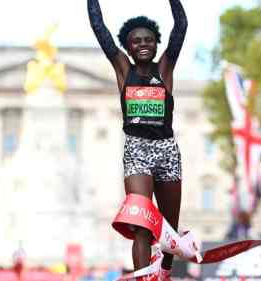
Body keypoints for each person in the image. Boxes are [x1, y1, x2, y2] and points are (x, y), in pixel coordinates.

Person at [87, 0, 187, 280]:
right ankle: (143, 277)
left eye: (149, 40)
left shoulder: (165, 68)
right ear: (127, 47)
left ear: (157, 43)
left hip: (167, 152)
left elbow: (181, 26)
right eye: (136, 41)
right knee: (141, 224)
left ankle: (164, 272)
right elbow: (99, 27)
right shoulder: (123, 69)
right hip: (136, 152)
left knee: (168, 229)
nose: (143, 44)